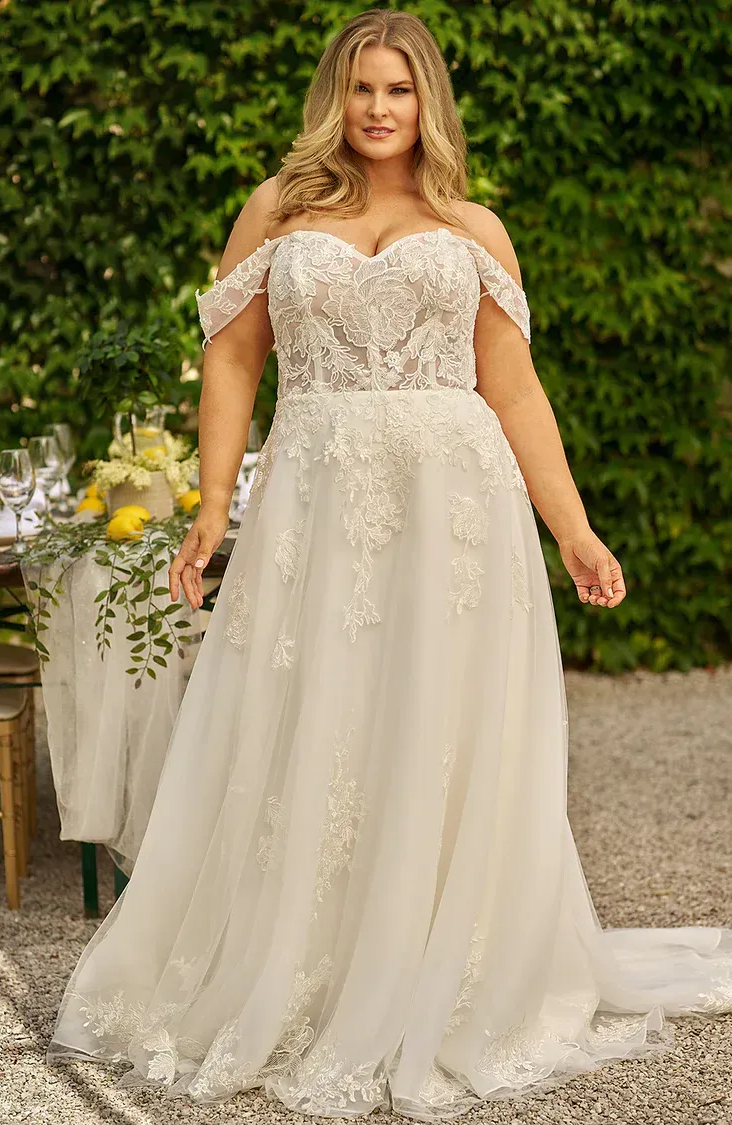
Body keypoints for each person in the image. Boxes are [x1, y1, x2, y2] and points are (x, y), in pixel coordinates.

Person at [46, 9, 732, 1119]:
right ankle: (301, 961)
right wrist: (211, 505)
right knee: (313, 715)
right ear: (336, 94)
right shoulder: (279, 209)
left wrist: (576, 530)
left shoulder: (473, 226)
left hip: (457, 508)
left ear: (428, 104)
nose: (377, 109)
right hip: (315, 501)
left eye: (398, 92)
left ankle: (433, 962)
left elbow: (512, 391)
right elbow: (231, 362)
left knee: (436, 723)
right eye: (361, 88)